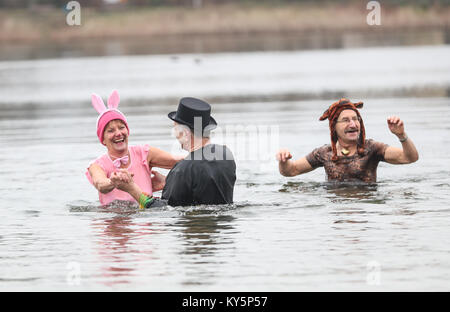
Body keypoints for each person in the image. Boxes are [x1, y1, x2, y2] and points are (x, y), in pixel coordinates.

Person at [114, 97, 236, 208]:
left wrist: (132, 189)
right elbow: (204, 183)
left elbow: (162, 210)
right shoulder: (226, 155)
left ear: (186, 133)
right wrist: (169, 182)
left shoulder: (182, 170)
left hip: (196, 229)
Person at [276, 98, 419, 182]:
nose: (352, 124)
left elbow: (409, 158)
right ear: (334, 127)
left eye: (355, 119)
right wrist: (283, 161)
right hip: (336, 209)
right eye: (345, 120)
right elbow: (291, 171)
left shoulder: (371, 148)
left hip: (366, 207)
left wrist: (401, 135)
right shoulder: (325, 153)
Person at [86, 90, 182, 206]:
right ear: (103, 139)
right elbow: (100, 184)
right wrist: (114, 181)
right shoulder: (97, 165)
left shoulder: (144, 153)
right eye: (111, 131)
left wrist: (168, 182)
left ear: (127, 131)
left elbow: (179, 162)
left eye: (121, 127)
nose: (118, 133)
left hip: (147, 215)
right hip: (113, 218)